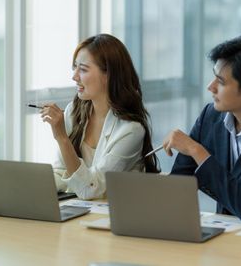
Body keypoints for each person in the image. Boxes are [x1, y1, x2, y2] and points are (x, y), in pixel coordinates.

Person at [164, 35, 241, 222]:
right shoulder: (210, 117)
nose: (210, 87)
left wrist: (196, 150)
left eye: (220, 82)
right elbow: (178, 185)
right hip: (224, 236)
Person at [40, 34, 159, 199]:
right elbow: (62, 172)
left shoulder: (131, 130)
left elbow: (91, 189)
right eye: (75, 67)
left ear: (108, 75)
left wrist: (61, 137)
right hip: (84, 214)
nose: (74, 77)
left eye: (82, 69)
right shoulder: (74, 111)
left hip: (117, 219)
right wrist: (31, 187)